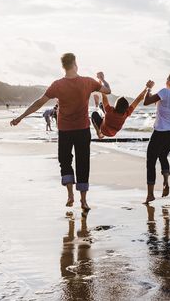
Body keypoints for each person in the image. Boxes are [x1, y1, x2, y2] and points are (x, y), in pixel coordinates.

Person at [10, 53, 111, 211]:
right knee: (83, 163)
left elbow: (39, 103)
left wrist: (21, 117)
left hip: (65, 130)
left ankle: (70, 195)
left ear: (63, 66)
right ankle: (83, 201)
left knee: (65, 161)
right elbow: (108, 91)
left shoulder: (57, 85)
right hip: (83, 130)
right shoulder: (87, 82)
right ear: (75, 64)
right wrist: (102, 78)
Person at [142, 72, 170, 204]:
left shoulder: (165, 92)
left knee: (151, 160)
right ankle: (166, 182)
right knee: (163, 156)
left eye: (167, 79)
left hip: (161, 131)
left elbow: (146, 102)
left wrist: (148, 88)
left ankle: (150, 195)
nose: (166, 80)